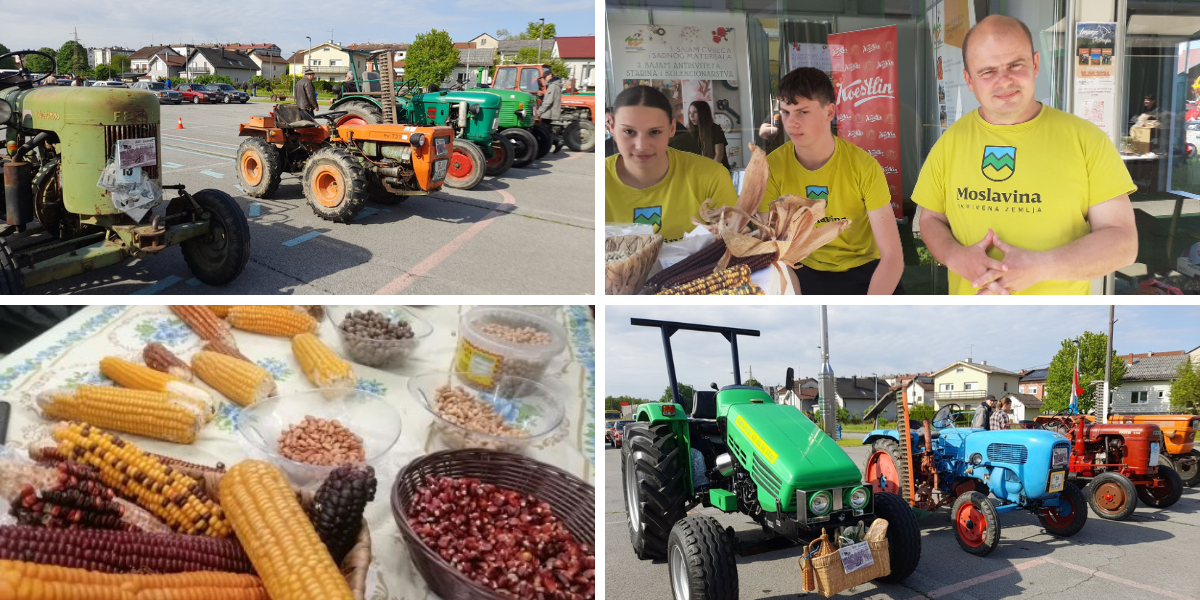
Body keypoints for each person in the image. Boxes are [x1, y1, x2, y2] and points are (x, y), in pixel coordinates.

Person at [913, 15, 1138, 295]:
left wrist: (1042, 266)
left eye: (1015, 65)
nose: (1004, 81)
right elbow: (931, 220)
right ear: (969, 80)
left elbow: (1123, 242)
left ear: (1035, 64)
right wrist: (953, 256)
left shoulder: (1087, 140)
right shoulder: (950, 143)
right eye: (987, 72)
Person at [758, 67, 905, 295]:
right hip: (802, 269)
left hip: (864, 270)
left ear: (829, 112)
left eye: (803, 112)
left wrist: (869, 308)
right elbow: (775, 254)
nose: (791, 122)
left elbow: (892, 257)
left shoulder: (864, 166)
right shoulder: (770, 168)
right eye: (786, 112)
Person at [605, 85, 739, 243]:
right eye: (629, 131)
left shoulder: (711, 176)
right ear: (611, 127)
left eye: (655, 132)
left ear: (672, 128)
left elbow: (738, 241)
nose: (641, 146)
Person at [683, 101, 730, 171]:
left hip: (717, 171)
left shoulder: (715, 129)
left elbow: (719, 155)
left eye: (695, 112)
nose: (691, 116)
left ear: (703, 113)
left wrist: (709, 171)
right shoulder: (692, 132)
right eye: (690, 113)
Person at [536, 68, 564, 152]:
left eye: (545, 77)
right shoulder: (556, 85)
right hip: (550, 112)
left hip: (548, 112)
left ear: (550, 75)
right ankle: (555, 143)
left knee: (544, 131)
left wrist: (539, 112)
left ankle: (557, 141)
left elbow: (548, 101)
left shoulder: (552, 86)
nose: (545, 79)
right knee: (546, 130)